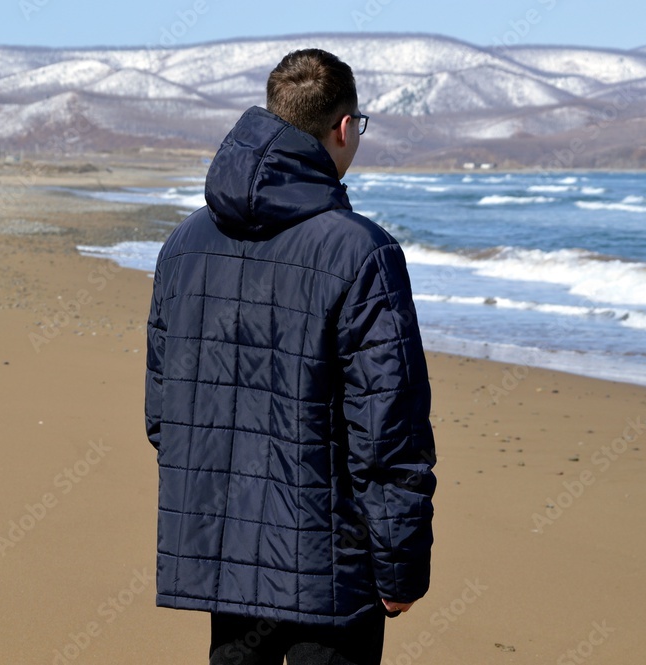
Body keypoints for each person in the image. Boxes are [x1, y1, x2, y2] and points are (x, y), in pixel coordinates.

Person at [145, 48, 436, 665]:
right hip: (329, 570)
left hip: (223, 555)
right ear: (343, 127)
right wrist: (401, 568)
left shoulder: (185, 243)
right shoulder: (364, 253)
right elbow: (388, 432)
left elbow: (164, 414)